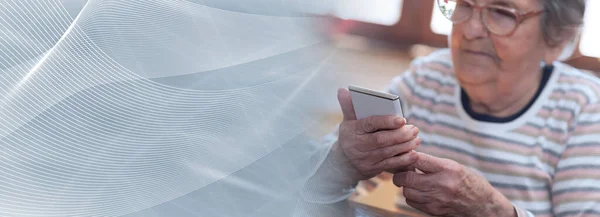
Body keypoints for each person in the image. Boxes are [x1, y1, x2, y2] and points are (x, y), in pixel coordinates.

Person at [303, 0, 600, 216]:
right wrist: (343, 162)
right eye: (463, 4)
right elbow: (301, 188)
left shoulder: (584, 108)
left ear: (556, 37)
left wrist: (491, 210)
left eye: (501, 12)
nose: (469, 29)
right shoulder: (427, 78)